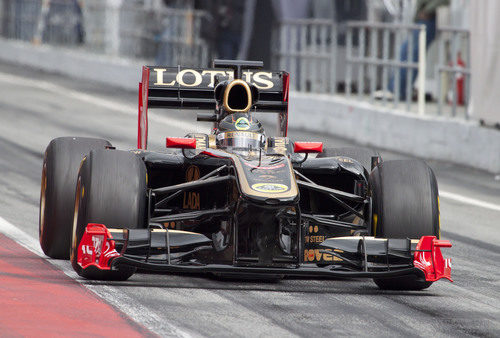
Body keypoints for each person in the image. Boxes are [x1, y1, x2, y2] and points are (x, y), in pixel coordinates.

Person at [383, 0, 449, 101]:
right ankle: (396, 89)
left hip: (429, 17)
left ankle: (399, 90)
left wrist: (428, 11)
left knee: (412, 53)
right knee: (407, 52)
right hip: (423, 17)